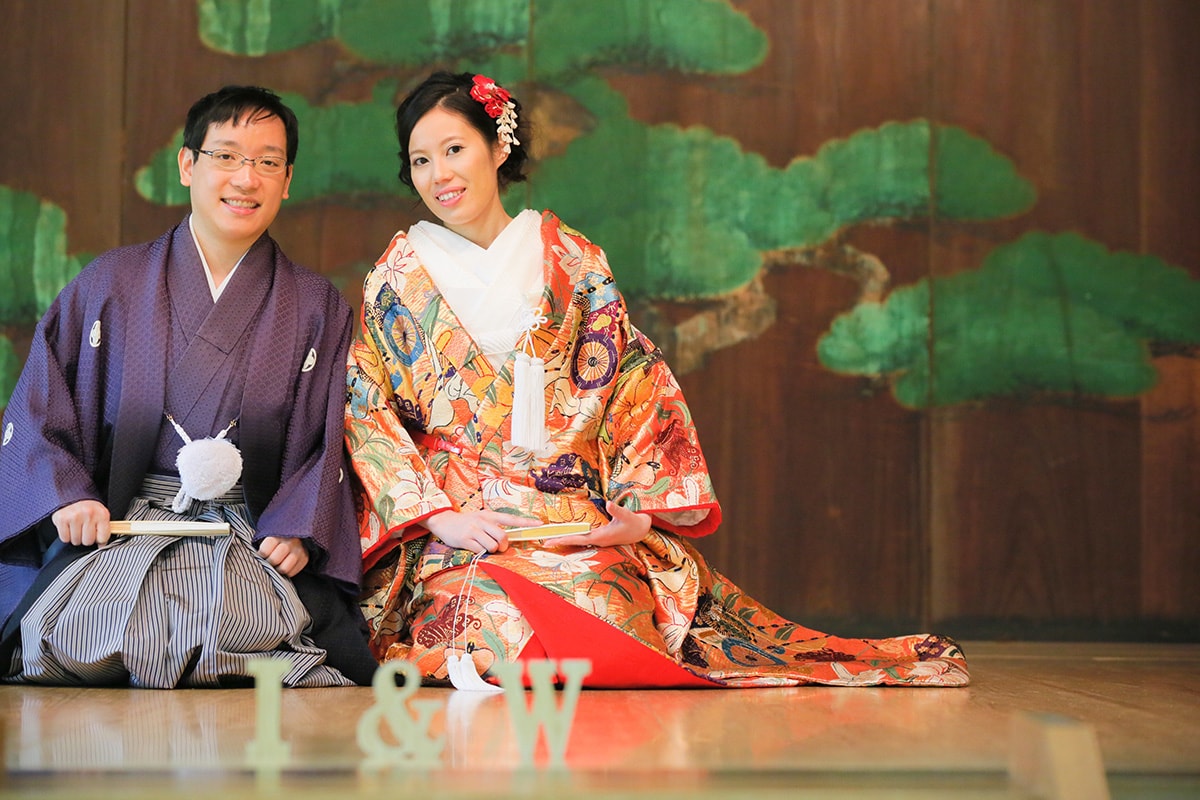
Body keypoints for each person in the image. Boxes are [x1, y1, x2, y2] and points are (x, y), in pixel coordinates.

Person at [345, 71, 969, 688]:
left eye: (455, 150)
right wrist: (435, 517)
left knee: (612, 613)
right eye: (420, 160)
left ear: (498, 146)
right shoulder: (397, 278)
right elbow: (366, 407)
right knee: (494, 627)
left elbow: (633, 381)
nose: (439, 175)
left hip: (571, 517)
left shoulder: (574, 261)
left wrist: (638, 516)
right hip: (467, 525)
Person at [0, 85, 376, 688]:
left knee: (236, 631)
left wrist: (300, 525)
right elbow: (39, 408)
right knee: (74, 635)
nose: (245, 178)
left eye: (267, 162)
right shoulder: (110, 284)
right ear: (187, 165)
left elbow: (330, 438)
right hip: (125, 524)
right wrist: (66, 497)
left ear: (287, 181)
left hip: (250, 532)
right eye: (226, 156)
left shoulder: (315, 307)